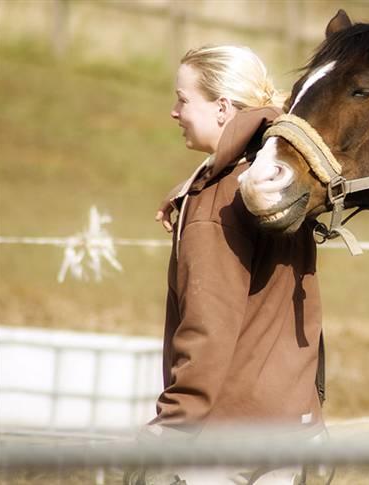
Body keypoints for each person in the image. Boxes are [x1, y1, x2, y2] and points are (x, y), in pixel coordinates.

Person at [125, 45, 326, 485]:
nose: (174, 112)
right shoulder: (281, 186)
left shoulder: (216, 203)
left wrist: (171, 430)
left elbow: (207, 329)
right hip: (293, 427)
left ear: (221, 108)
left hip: (222, 440)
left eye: (182, 99)